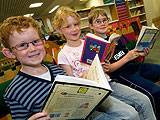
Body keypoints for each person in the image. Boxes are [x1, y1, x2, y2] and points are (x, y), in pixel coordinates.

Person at [53, 6, 156, 120]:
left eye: (76, 24)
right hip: (93, 92)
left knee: (144, 101)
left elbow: (104, 64)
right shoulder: (63, 54)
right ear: (59, 30)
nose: (74, 29)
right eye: (68, 26)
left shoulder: (90, 42)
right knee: (131, 114)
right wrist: (84, 77)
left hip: (108, 83)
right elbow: (72, 82)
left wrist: (102, 63)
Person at [88, 8, 160, 119]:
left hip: (133, 66)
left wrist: (140, 53)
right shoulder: (94, 46)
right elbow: (108, 69)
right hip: (121, 75)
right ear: (91, 26)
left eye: (104, 20)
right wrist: (128, 57)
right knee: (154, 92)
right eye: (98, 21)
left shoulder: (114, 37)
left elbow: (127, 55)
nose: (103, 23)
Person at [0, 16, 68, 120]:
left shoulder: (57, 69)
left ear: (43, 42)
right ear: (9, 53)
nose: (32, 49)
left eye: (36, 41)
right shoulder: (14, 92)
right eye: (22, 45)